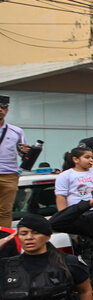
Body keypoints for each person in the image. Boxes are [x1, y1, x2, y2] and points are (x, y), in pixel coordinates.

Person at [0, 95, 30, 227]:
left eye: (3, 107)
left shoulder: (16, 131)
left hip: (9, 175)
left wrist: (25, 152)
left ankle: (3, 240)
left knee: (5, 211)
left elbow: (23, 153)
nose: (0, 109)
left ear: (7, 110)